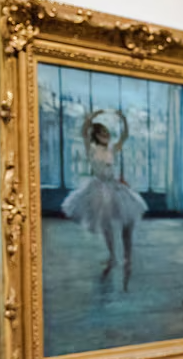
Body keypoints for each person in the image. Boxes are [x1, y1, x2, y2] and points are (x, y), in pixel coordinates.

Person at [61, 109, 147, 291]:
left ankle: (127, 257)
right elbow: (84, 133)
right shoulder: (91, 149)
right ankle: (113, 256)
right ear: (96, 136)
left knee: (128, 221)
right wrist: (92, 117)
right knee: (106, 224)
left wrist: (123, 119)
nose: (106, 136)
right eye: (102, 134)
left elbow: (124, 136)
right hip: (99, 187)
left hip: (115, 186)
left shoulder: (111, 149)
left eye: (107, 133)